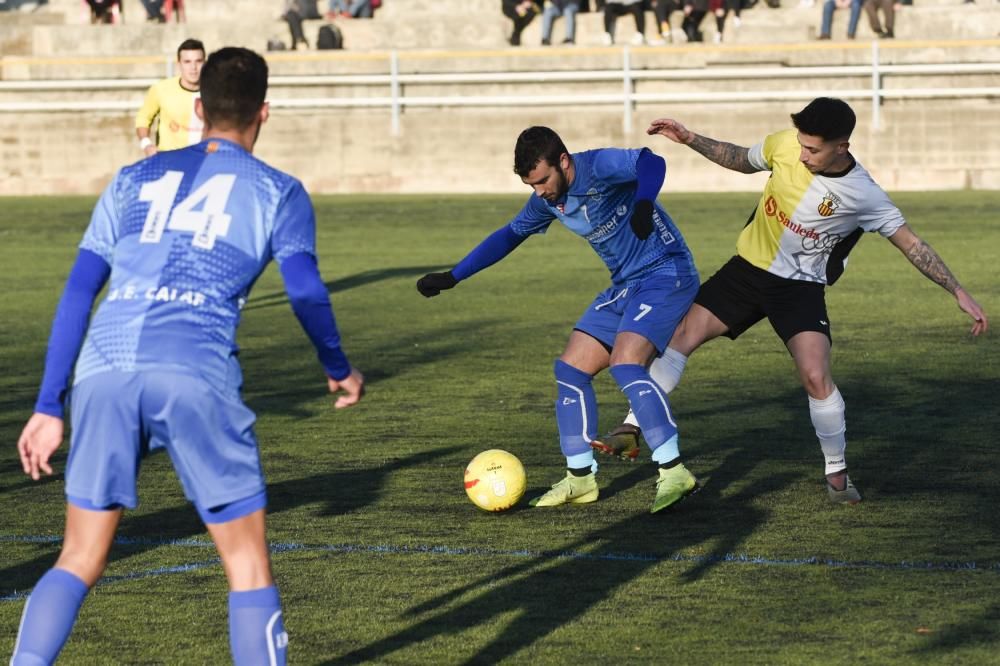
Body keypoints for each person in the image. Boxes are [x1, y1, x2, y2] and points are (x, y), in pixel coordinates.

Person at [11, 46, 365, 665]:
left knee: (79, 556)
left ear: (198, 109)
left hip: (104, 369)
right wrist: (337, 367)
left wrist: (48, 405)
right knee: (247, 565)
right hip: (194, 371)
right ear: (264, 112)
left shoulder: (131, 178)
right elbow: (306, 291)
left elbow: (79, 291)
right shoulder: (278, 191)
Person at [594, 97, 988, 504]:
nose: (802, 155)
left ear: (842, 147)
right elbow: (740, 158)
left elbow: (912, 244)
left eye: (813, 149)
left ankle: (837, 474)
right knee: (679, 338)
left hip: (799, 290)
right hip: (744, 273)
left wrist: (958, 291)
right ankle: (631, 426)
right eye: (801, 145)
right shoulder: (785, 145)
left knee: (816, 376)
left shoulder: (865, 195)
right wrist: (690, 137)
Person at [416, 126, 701, 513]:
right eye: (531, 185)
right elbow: (508, 236)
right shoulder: (548, 201)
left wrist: (644, 203)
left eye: (542, 180)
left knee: (626, 363)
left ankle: (673, 471)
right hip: (626, 286)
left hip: (666, 273)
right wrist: (454, 276)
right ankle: (580, 478)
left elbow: (651, 162)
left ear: (563, 162)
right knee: (570, 370)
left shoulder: (598, 166)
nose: (539, 192)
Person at [134, 39, 206, 157]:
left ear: (205, 63)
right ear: (179, 64)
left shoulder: (216, 91)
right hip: (169, 159)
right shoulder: (161, 89)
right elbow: (143, 118)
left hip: (203, 160)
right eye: (187, 62)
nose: (193, 67)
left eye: (198, 61)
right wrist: (146, 144)